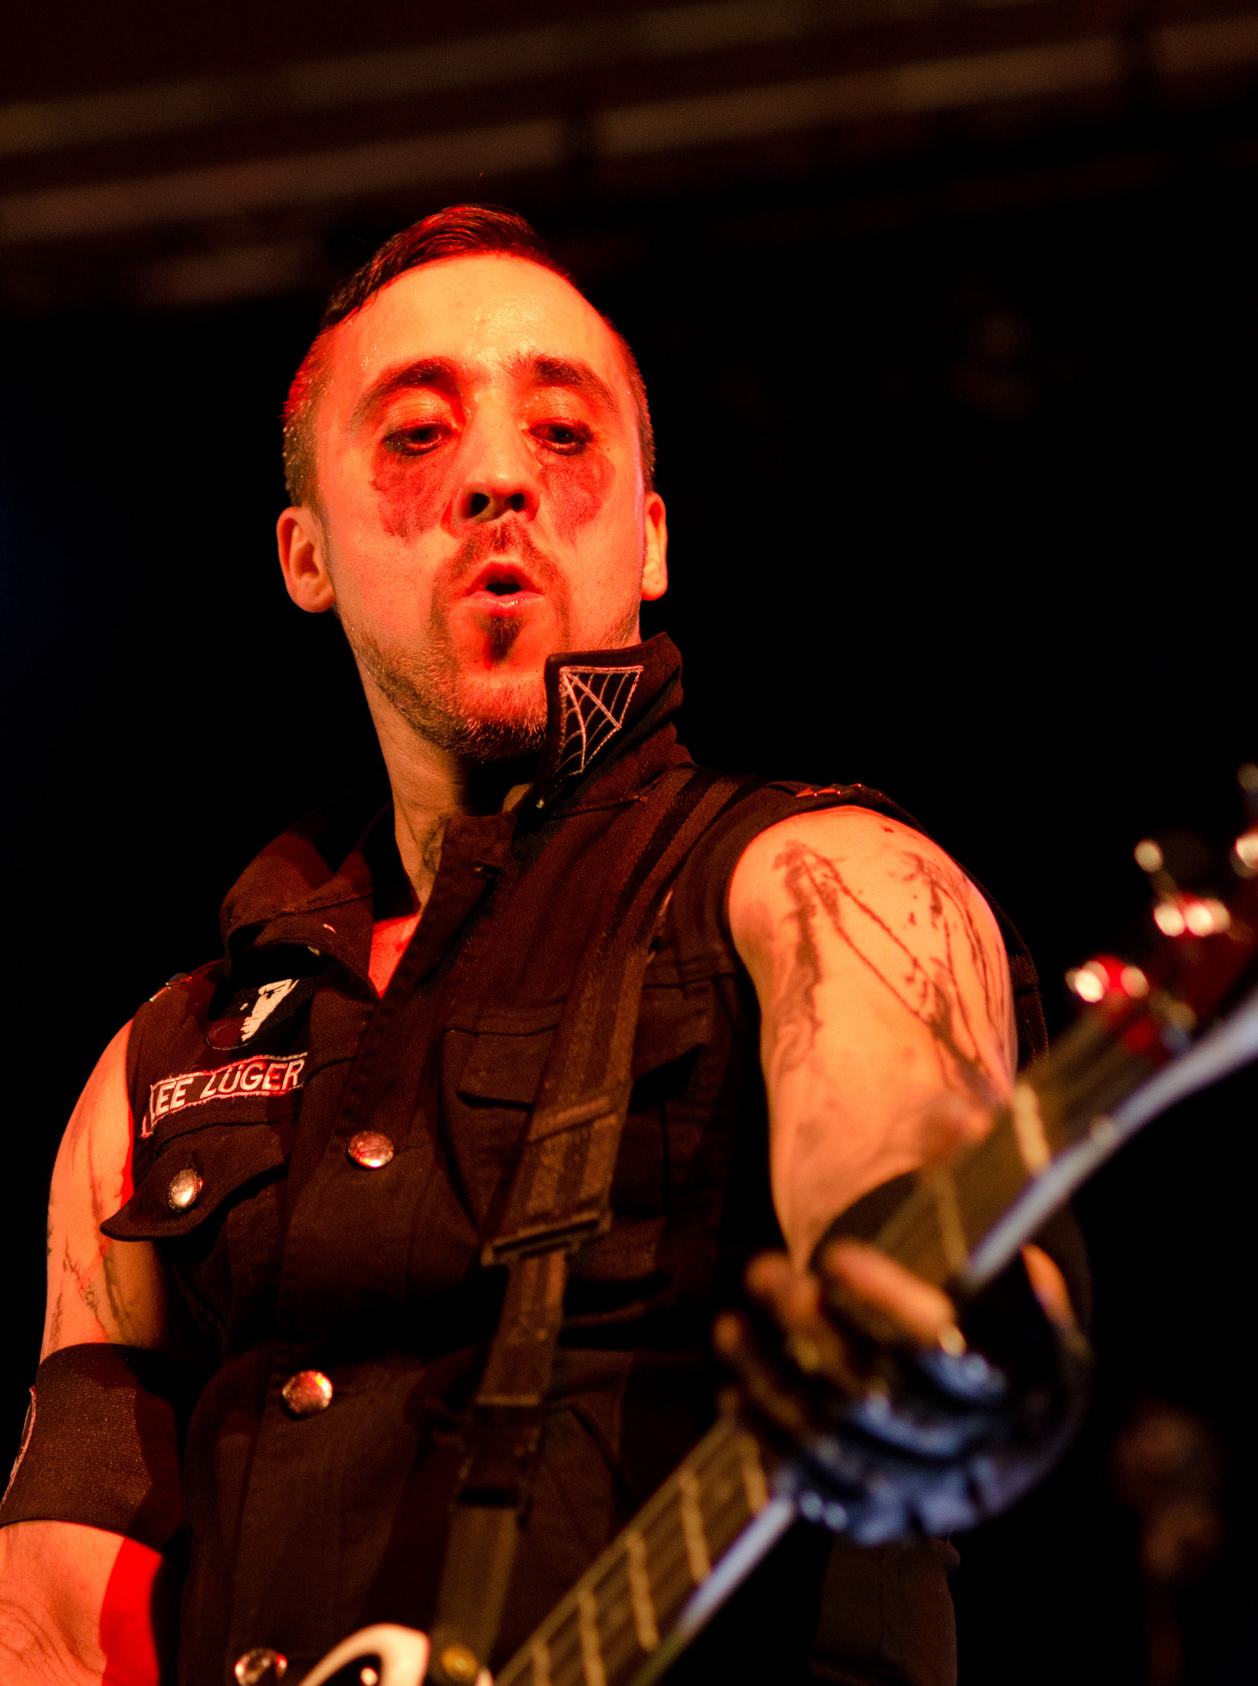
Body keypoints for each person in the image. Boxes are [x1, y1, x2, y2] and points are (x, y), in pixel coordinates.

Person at [0, 207, 1084, 1686]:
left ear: (650, 537)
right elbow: (57, 1614)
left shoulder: (823, 881)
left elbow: (912, 1172)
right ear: (306, 554)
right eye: (415, 434)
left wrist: (949, 1337)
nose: (499, 477)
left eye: (565, 434)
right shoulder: (158, 1063)